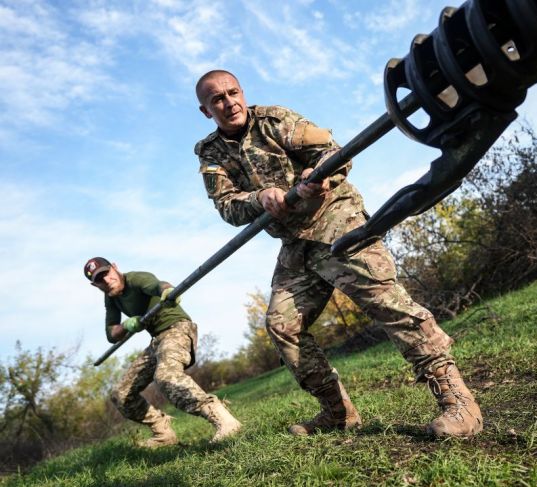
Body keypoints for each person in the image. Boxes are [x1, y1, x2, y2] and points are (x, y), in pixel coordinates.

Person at [193, 69, 483, 438]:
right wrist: (257, 198)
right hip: (296, 244)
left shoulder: (275, 120)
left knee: (387, 304)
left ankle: (459, 403)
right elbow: (227, 207)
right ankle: (338, 412)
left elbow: (334, 152)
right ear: (206, 110)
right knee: (283, 327)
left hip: (337, 221)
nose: (229, 102)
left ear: (242, 92)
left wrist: (320, 178)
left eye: (233, 92)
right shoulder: (211, 154)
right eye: (217, 99)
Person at [84, 257, 241, 447]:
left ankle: (224, 419)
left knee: (166, 376)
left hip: (178, 329)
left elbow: (158, 285)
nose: (107, 280)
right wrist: (127, 325)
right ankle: (163, 434)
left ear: (115, 268)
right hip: (157, 341)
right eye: (99, 279)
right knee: (121, 394)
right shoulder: (111, 298)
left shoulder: (136, 278)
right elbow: (111, 333)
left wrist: (168, 291)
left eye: (107, 273)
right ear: (95, 285)